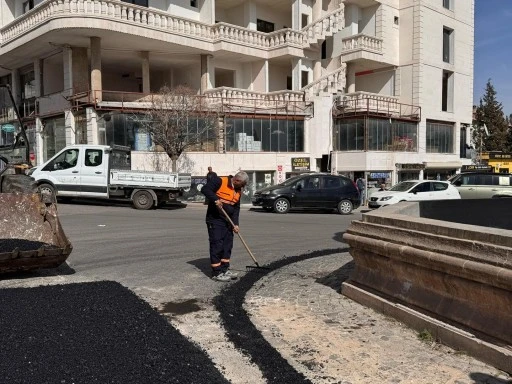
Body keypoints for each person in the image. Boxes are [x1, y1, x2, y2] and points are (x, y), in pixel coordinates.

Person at [201, 170, 249, 282]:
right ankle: (216, 272)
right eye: (242, 185)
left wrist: (236, 224)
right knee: (217, 244)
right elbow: (205, 189)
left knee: (227, 245)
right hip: (215, 219)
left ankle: (224, 269)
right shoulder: (220, 181)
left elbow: (236, 209)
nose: (242, 188)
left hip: (228, 221)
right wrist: (215, 199)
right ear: (237, 180)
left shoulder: (238, 191)